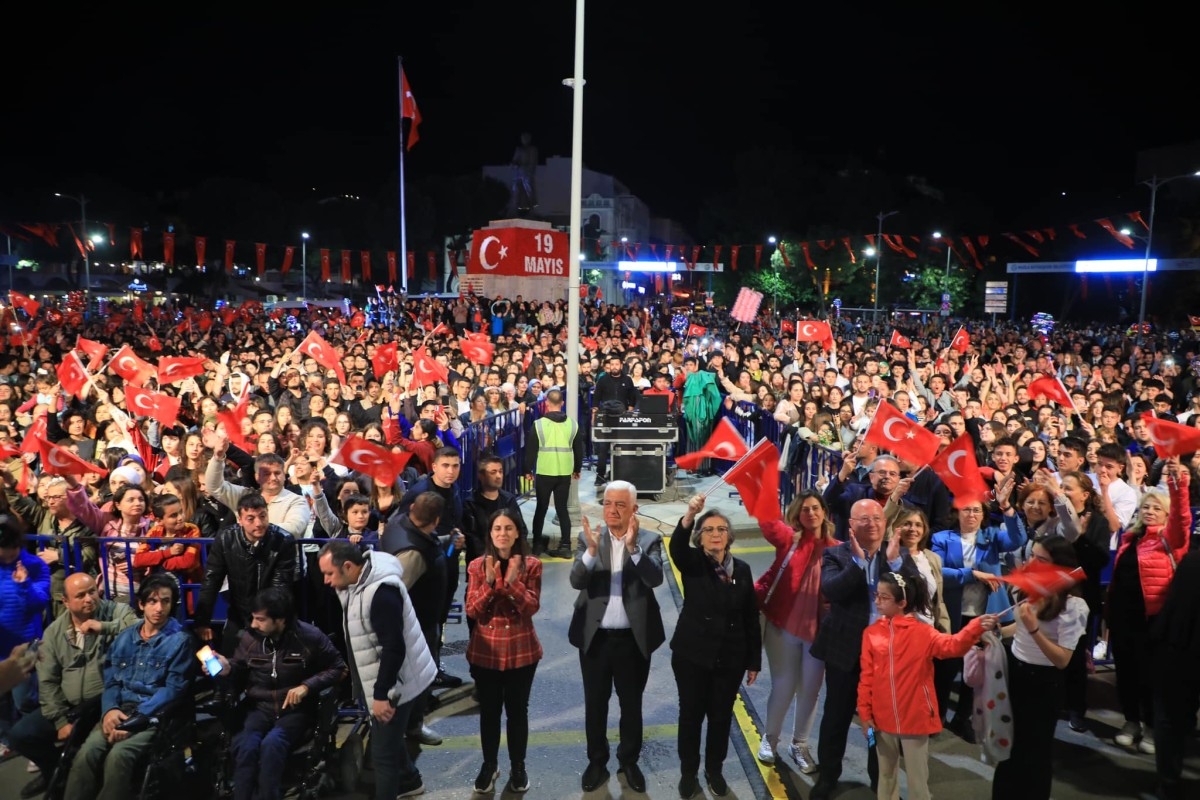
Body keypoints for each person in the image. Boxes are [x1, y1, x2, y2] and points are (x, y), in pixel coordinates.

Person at [858, 571, 999, 800]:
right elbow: (866, 677)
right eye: (877, 595)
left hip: (915, 717)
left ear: (902, 603)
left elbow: (953, 646)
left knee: (917, 781)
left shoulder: (923, 633)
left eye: (884, 597)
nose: (877, 601)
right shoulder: (871, 633)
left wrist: (974, 627)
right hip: (881, 720)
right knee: (885, 775)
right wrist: (865, 714)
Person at [809, 499, 912, 800]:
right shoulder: (836, 555)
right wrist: (858, 564)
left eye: (877, 517)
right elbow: (831, 591)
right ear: (850, 525)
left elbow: (913, 597)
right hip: (846, 650)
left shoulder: (896, 556)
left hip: (885, 654)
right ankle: (828, 776)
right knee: (837, 716)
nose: (872, 523)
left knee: (880, 722)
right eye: (863, 519)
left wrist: (894, 566)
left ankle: (879, 780)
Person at [318, 541, 436, 800]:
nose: (326, 581)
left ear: (348, 566)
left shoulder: (381, 594)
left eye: (329, 574)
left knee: (382, 755)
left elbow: (393, 649)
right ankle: (411, 781)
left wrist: (382, 695)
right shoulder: (358, 580)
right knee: (389, 738)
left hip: (397, 684)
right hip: (389, 678)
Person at [568, 480, 665, 794]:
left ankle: (629, 760)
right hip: (595, 639)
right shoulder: (590, 538)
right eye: (608, 503)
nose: (612, 510)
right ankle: (597, 761)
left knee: (632, 705)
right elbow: (576, 580)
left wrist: (634, 549)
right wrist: (591, 551)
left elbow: (654, 579)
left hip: (633, 640)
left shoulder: (649, 539)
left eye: (620, 505)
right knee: (595, 705)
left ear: (634, 509)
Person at [63, 574, 193, 800]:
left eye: (165, 601)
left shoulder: (179, 641)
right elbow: (112, 680)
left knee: (119, 756)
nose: (159, 608)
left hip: (152, 715)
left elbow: (172, 690)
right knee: (87, 753)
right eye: (152, 601)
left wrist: (136, 720)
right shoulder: (124, 638)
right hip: (121, 708)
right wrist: (110, 710)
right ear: (141, 604)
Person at [10, 573, 138, 799]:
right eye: (81, 595)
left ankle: (77, 777)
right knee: (21, 735)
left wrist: (103, 627)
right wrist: (59, 720)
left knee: (92, 748)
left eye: (91, 591)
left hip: (105, 702)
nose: (89, 598)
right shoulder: (54, 632)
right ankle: (54, 772)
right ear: (66, 602)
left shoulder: (115, 611)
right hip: (69, 706)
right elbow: (47, 680)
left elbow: (139, 627)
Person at [211, 587, 347, 800]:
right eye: (253, 618)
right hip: (259, 706)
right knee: (245, 746)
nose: (254, 624)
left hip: (295, 710)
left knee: (272, 745)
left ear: (280, 620)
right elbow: (239, 666)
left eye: (260, 619)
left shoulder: (309, 637)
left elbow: (339, 668)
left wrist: (307, 686)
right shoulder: (251, 638)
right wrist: (227, 667)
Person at [670, 494, 760, 799]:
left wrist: (753, 660)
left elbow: (751, 616)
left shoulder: (743, 570)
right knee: (691, 716)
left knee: (721, 717)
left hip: (730, 657)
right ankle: (688, 772)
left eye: (721, 529)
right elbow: (677, 548)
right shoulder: (694, 563)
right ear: (700, 537)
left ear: (730, 536)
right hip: (692, 655)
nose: (716, 534)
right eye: (709, 530)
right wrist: (689, 516)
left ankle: (715, 770)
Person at [991, 537, 1090, 799]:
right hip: (1015, 673)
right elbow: (1020, 627)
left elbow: (1062, 660)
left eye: (1041, 560)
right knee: (1008, 746)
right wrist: (995, 631)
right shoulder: (1032, 589)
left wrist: (1034, 628)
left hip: (1043, 684)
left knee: (1035, 753)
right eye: (1032, 556)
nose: (1031, 563)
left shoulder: (1074, 606)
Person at [1106, 456, 1190, 754]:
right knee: (1126, 672)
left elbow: (1182, 519)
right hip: (1123, 617)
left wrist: (1177, 485)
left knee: (1152, 676)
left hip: (1153, 619)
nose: (1150, 512)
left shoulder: (1172, 540)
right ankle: (1131, 722)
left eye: (1157, 508)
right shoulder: (1131, 538)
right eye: (1147, 507)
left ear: (1165, 514)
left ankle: (1153, 728)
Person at [754, 491, 834, 774]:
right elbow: (767, 522)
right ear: (796, 516)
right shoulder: (789, 539)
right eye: (804, 510)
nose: (810, 513)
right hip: (783, 626)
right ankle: (770, 740)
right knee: (784, 685)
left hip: (819, 632)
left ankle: (799, 745)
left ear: (824, 512)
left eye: (815, 508)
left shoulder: (837, 548)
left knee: (811, 691)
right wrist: (758, 484)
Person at [464, 509, 543, 794]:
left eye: (508, 528)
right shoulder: (476, 566)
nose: (502, 534)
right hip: (486, 653)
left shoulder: (531, 565)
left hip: (522, 652)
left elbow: (531, 607)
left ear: (518, 532)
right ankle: (489, 764)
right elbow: (472, 610)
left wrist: (511, 584)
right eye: (497, 528)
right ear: (490, 533)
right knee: (489, 712)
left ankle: (518, 766)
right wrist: (488, 585)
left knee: (517, 712)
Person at [381, 491, 456, 746]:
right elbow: (396, 591)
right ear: (436, 520)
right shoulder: (412, 554)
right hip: (416, 625)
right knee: (419, 677)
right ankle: (412, 726)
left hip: (420, 621)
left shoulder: (401, 521)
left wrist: (445, 541)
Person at [194, 493, 299, 655]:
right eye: (251, 518)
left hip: (273, 615)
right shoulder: (226, 538)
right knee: (230, 663)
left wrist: (266, 620)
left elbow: (280, 588)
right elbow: (211, 581)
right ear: (239, 519)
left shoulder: (283, 540)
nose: (259, 523)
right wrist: (202, 621)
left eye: (263, 516)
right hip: (239, 613)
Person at [1151, 546, 1200, 800]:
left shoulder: (1192, 561)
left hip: (1177, 651)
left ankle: (1168, 781)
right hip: (1179, 651)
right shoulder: (1192, 561)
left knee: (1171, 719)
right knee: (1172, 719)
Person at [524, 389, 583, 556]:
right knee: (562, 509)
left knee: (541, 508)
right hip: (564, 473)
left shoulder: (539, 425)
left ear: (547, 404)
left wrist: (527, 470)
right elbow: (579, 450)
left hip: (545, 471)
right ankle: (565, 546)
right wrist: (577, 469)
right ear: (562, 403)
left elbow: (531, 451)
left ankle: (536, 545)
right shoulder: (573, 424)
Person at [590, 356, 639, 487]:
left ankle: (619, 474)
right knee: (603, 448)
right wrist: (594, 414)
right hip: (606, 417)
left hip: (622, 418)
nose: (614, 366)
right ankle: (600, 476)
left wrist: (629, 411)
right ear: (609, 366)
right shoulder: (603, 379)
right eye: (612, 364)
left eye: (617, 364)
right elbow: (596, 398)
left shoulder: (627, 380)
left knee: (622, 448)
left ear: (621, 365)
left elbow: (632, 398)